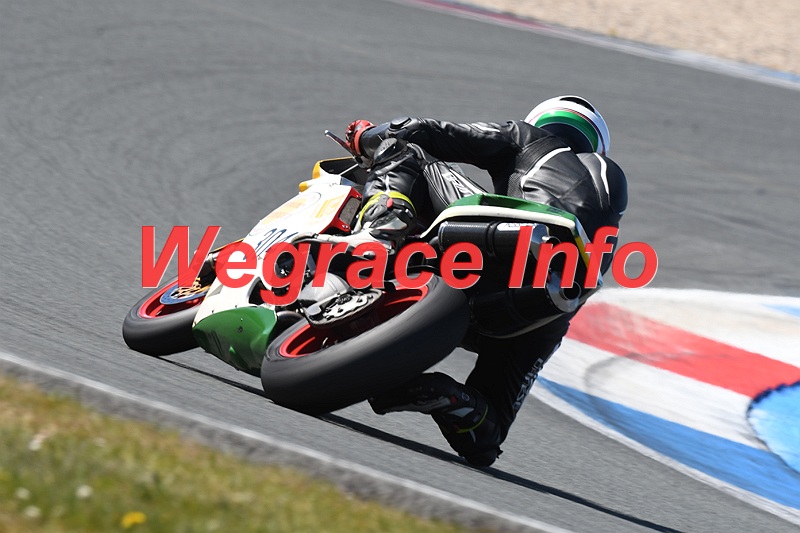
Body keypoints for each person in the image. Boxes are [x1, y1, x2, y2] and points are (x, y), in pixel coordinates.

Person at [343, 96, 628, 467]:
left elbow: (422, 130)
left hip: (509, 238)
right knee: (485, 439)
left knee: (405, 149)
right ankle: (451, 399)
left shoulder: (532, 139)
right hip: (547, 309)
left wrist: (368, 137)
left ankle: (379, 231)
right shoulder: (609, 203)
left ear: (542, 122)